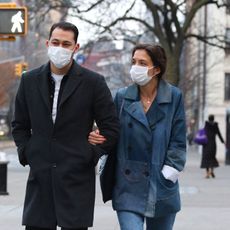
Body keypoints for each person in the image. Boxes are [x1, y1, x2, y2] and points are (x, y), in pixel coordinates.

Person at [11, 21, 119, 230]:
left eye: (66, 44)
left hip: (76, 178)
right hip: (40, 175)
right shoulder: (29, 80)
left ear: (75, 47)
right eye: (55, 42)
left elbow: (112, 128)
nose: (60, 48)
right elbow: (19, 124)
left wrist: (90, 153)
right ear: (47, 43)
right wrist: (27, 152)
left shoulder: (93, 82)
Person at [88, 44, 187, 230]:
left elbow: (179, 139)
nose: (136, 67)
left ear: (156, 69)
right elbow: (112, 131)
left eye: (142, 63)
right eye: (134, 62)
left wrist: (170, 171)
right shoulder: (122, 97)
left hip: (161, 183)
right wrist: (99, 136)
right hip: (127, 184)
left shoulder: (174, 97)